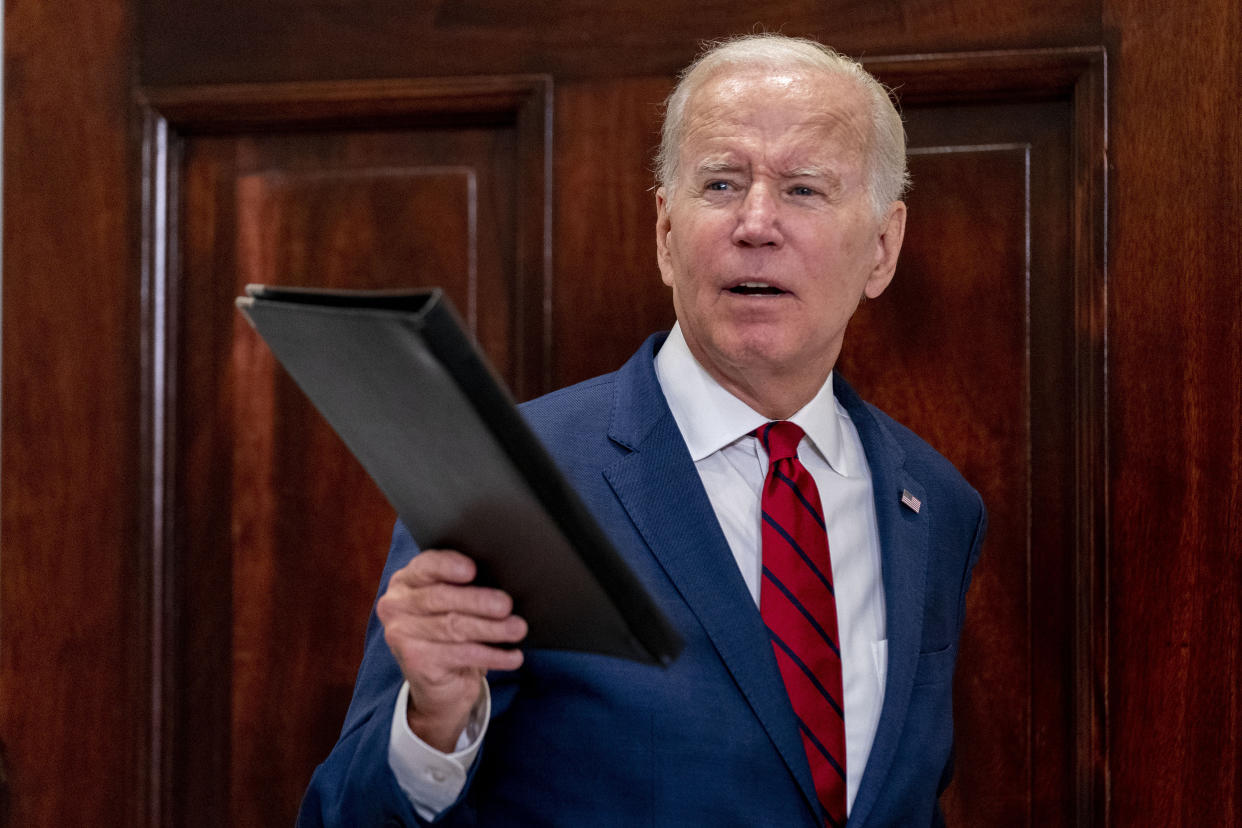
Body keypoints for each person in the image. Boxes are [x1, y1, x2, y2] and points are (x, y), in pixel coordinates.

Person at [299, 33, 986, 827]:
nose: (757, 222)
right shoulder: (517, 477)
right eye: (722, 184)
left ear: (882, 246)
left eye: (803, 189)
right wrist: (432, 726)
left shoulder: (936, 503)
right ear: (666, 232)